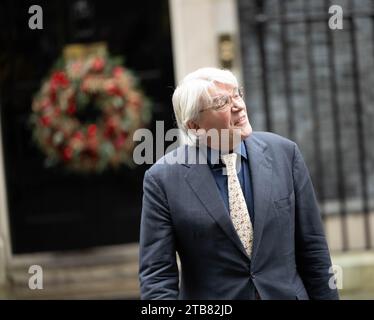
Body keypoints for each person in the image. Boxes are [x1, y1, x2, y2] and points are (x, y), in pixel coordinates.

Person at [139, 67, 339, 300]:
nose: (238, 106)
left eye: (237, 94)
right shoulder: (162, 180)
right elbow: (157, 275)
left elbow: (314, 250)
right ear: (194, 126)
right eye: (221, 103)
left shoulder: (285, 154)